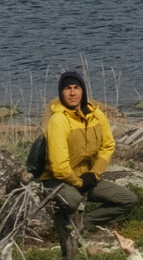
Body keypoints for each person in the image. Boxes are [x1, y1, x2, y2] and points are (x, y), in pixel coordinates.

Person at [41, 70, 135, 241]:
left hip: (86, 177)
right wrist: (79, 182)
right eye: (67, 88)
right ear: (61, 92)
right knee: (73, 200)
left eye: (76, 87)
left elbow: (108, 145)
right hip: (59, 179)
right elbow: (59, 166)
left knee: (128, 199)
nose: (72, 93)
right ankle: (61, 225)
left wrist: (94, 173)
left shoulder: (96, 115)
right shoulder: (58, 120)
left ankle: (83, 224)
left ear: (83, 90)